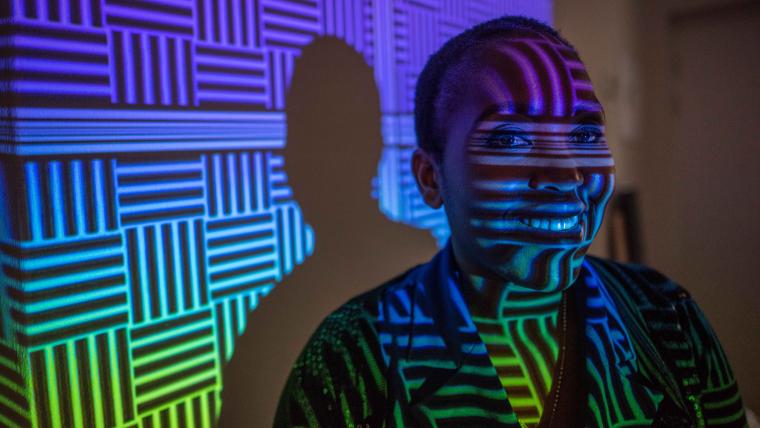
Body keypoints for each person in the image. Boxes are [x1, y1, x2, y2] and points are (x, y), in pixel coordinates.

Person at [273, 16, 748, 427]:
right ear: (430, 178)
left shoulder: (668, 317)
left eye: (584, 133)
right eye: (510, 140)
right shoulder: (349, 365)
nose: (568, 174)